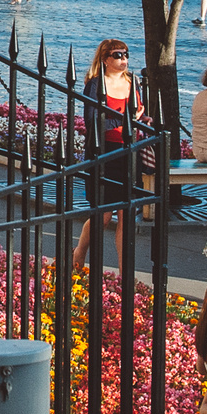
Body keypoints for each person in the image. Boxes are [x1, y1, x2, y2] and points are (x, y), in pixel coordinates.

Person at [73, 38, 143, 269]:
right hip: (104, 154)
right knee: (102, 215)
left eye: (126, 54)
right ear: (105, 59)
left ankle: (125, 273)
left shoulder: (135, 82)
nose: (123, 58)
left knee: (126, 215)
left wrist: (143, 120)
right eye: (117, 54)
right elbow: (93, 121)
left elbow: (140, 115)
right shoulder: (95, 85)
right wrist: (126, 120)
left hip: (129, 153)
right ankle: (80, 251)